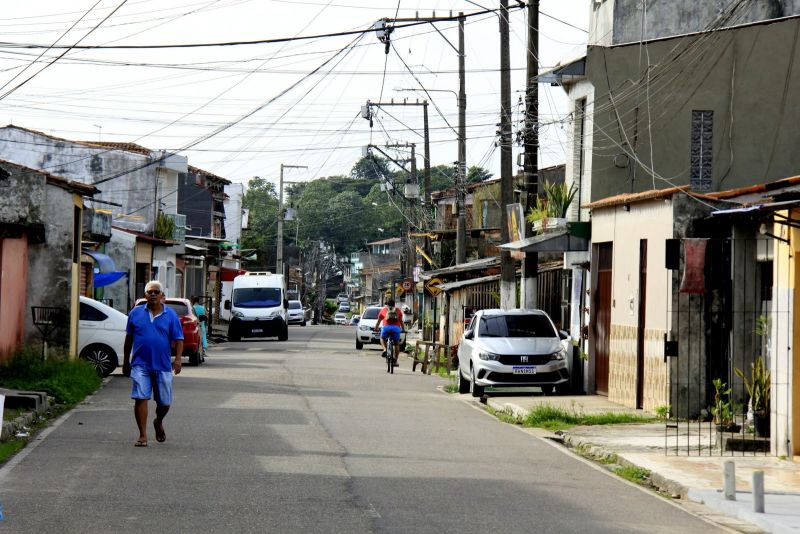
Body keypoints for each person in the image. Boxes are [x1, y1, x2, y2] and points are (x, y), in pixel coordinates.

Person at [123, 281, 184, 447]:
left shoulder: (170, 315)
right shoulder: (135, 314)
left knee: (164, 403)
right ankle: (142, 435)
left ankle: (158, 421)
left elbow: (179, 339)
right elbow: (129, 339)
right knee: (140, 397)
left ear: (162, 296)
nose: (153, 294)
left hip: (163, 366)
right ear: (145, 295)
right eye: (150, 292)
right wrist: (125, 361)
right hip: (140, 364)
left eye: (157, 292)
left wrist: (177, 360)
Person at [374, 298, 403, 366]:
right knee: (396, 344)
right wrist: (403, 329)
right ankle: (395, 360)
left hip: (386, 328)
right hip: (396, 329)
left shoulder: (384, 310)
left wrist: (376, 328)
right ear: (394, 304)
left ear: (387, 304)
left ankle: (384, 349)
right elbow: (401, 321)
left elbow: (379, 321)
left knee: (382, 338)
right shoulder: (398, 310)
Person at [191, 296, 208, 362]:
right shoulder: (202, 307)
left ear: (193, 301)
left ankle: (199, 350)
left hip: (195, 325)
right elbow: (206, 315)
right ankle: (203, 351)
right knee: (203, 337)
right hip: (202, 324)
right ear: (198, 301)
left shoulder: (192, 308)